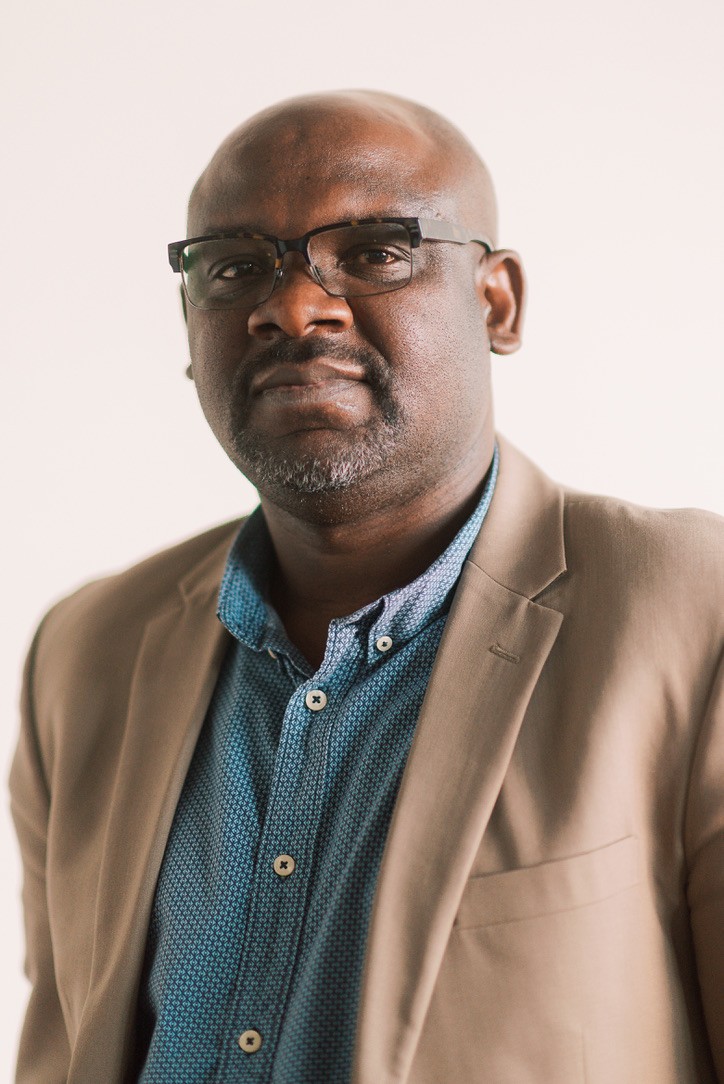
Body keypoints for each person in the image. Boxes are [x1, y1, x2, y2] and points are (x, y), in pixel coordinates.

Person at [9, 89, 724, 1084]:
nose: (293, 305)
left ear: (497, 302)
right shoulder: (84, 652)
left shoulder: (690, 612)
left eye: (375, 250)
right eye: (233, 267)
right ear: (189, 328)